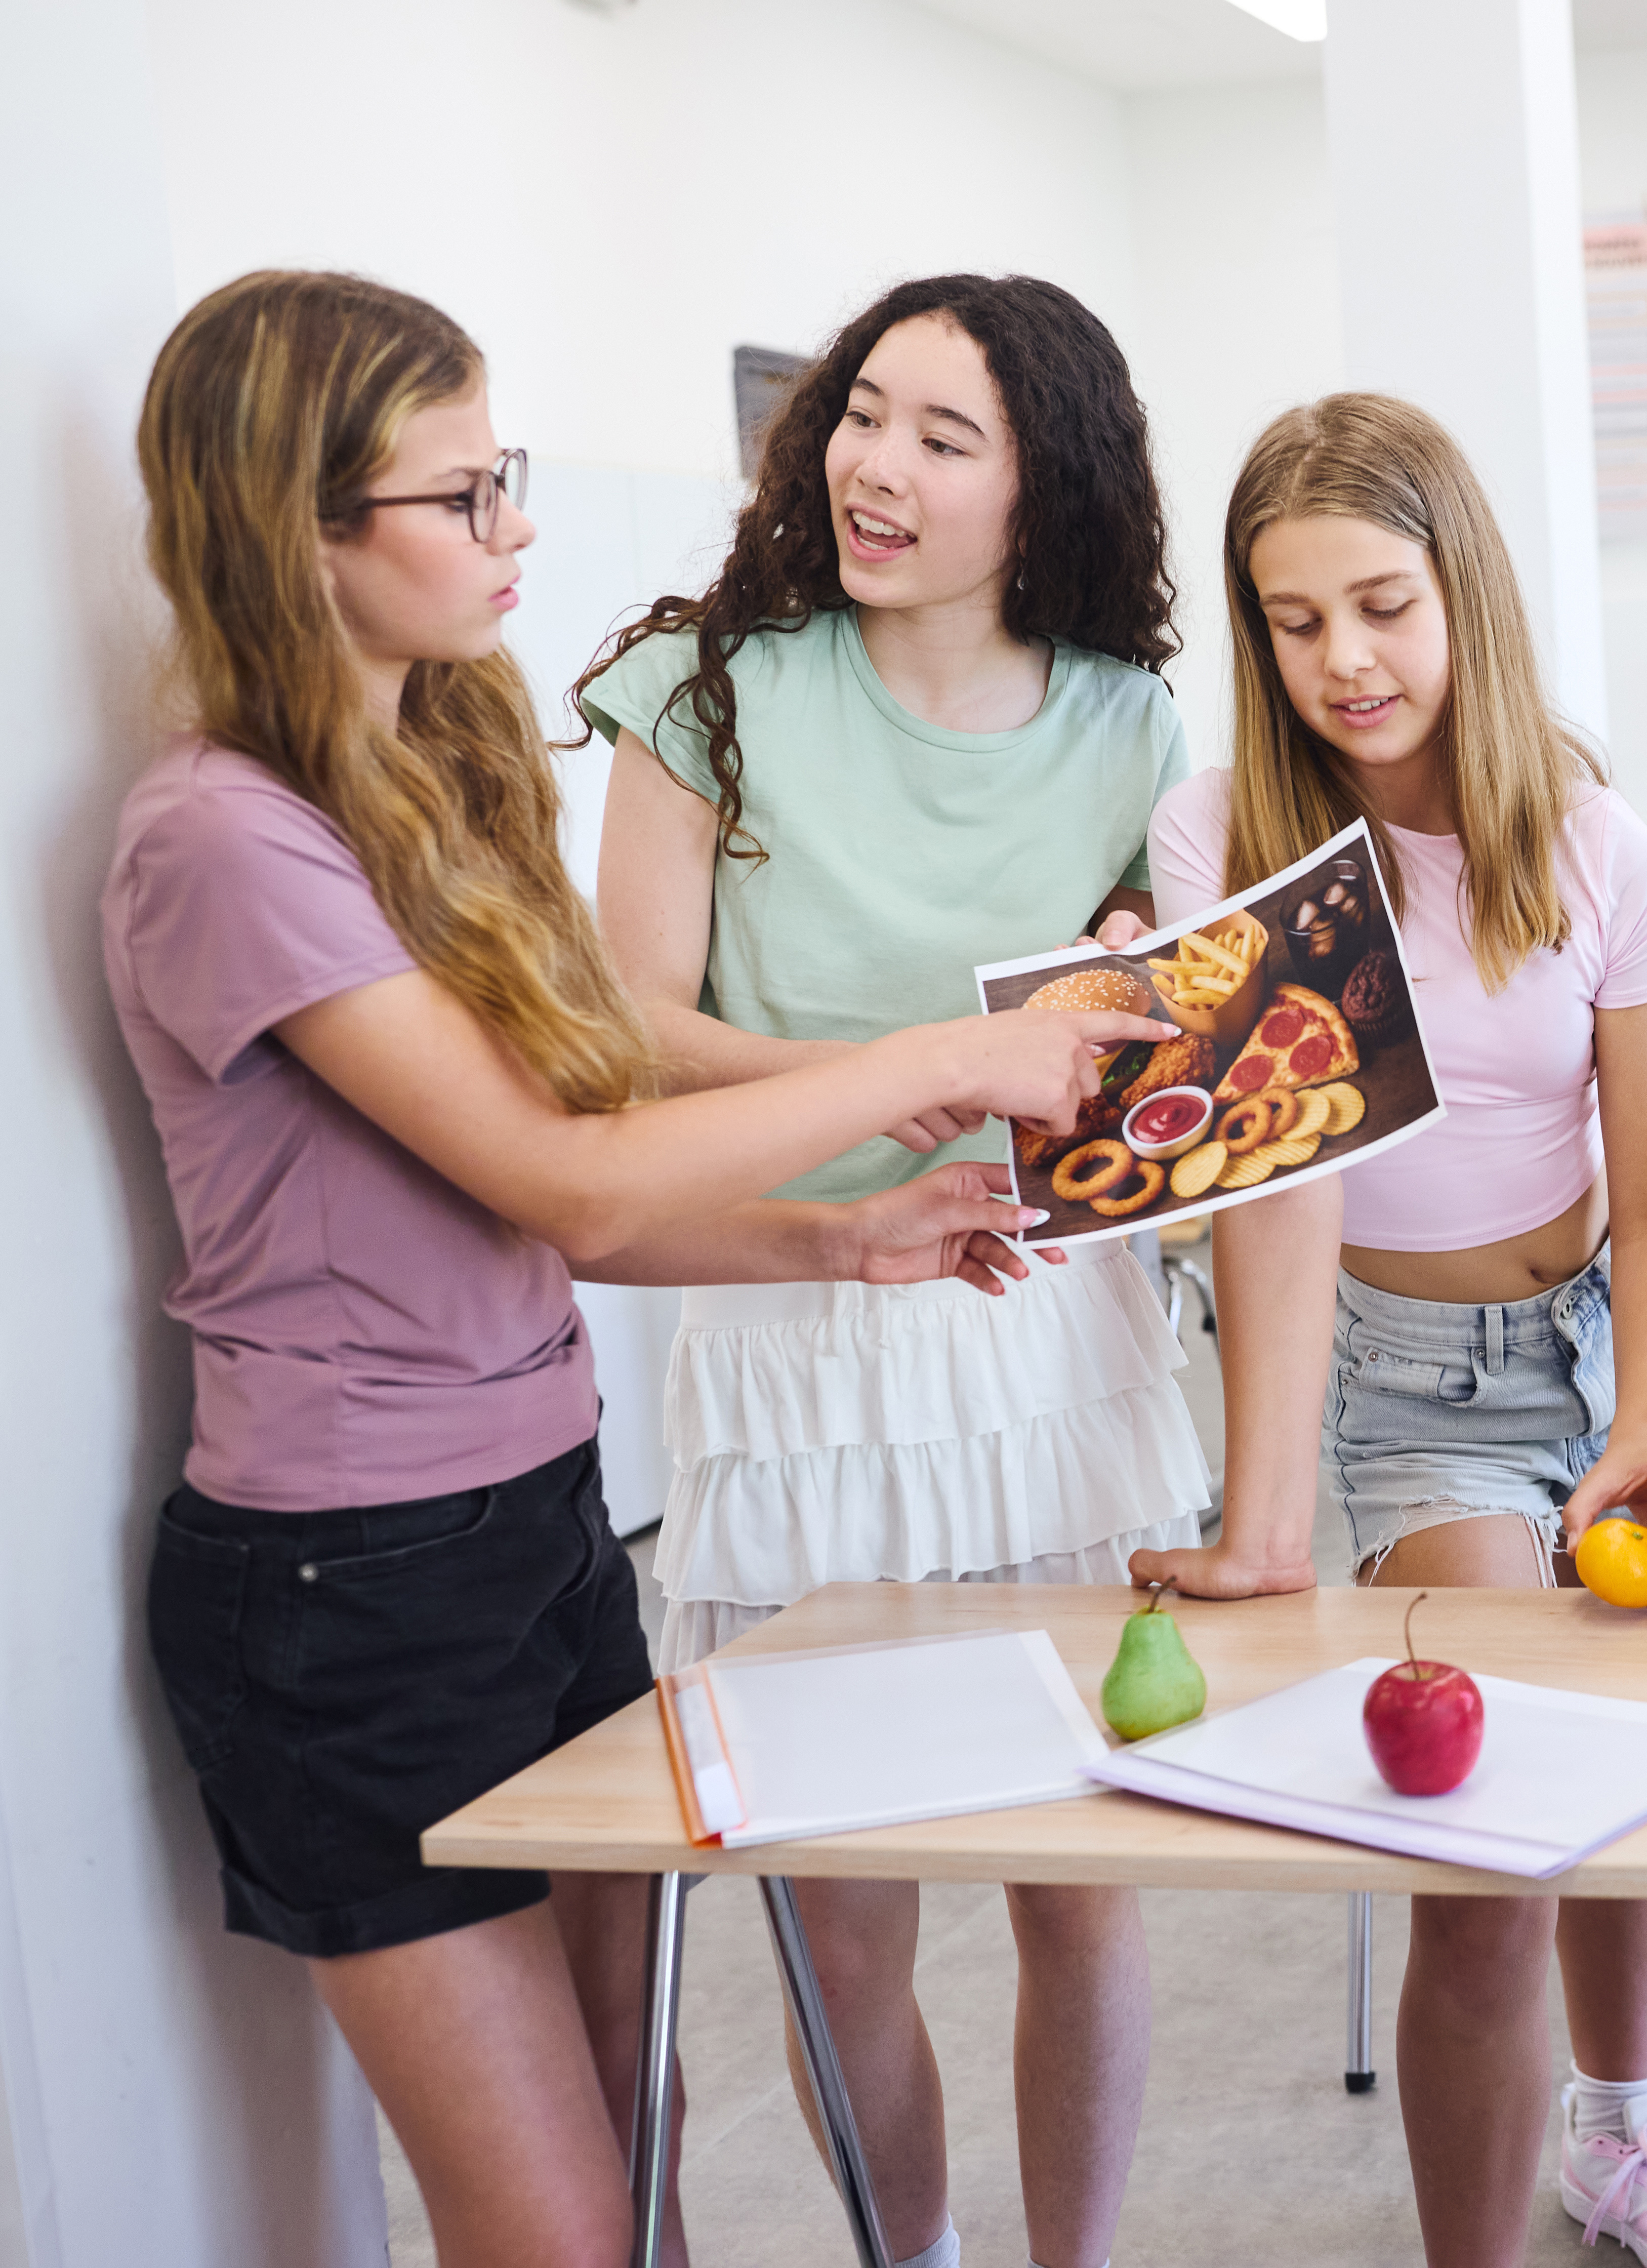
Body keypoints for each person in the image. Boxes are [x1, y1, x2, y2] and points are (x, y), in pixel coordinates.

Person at [110, 270, 1144, 2268]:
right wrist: (940, 1059)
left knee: (640, 2116)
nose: (518, 531)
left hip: (539, 1529)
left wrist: (843, 1233)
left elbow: (550, 1214)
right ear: (293, 529)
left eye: (507, 481)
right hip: (348, 1590)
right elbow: (568, 1184)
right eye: (466, 495)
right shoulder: (222, 840)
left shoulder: (433, 768)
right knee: (568, 2218)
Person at [575, 274, 1206, 2268]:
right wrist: (910, 1081)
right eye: (865, 413)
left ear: (1047, 491)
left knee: (1080, 1885)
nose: (877, 463)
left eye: (946, 437)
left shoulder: (1132, 724)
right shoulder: (705, 687)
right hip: (795, 1324)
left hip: (1054, 1345)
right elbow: (624, 1035)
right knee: (840, 1906)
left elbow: (1158, 1028)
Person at [1132, 393, 1647, 2268]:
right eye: (1294, 618)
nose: (1345, 660)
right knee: (1486, 1845)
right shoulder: (1225, 838)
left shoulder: (1594, 849)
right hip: (1414, 1382)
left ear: (1463, 597)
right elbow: (1277, 1179)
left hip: (1618, 1346)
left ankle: (1624, 2130)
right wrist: (1262, 1525)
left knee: (1620, 1773)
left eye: (1385, 604)